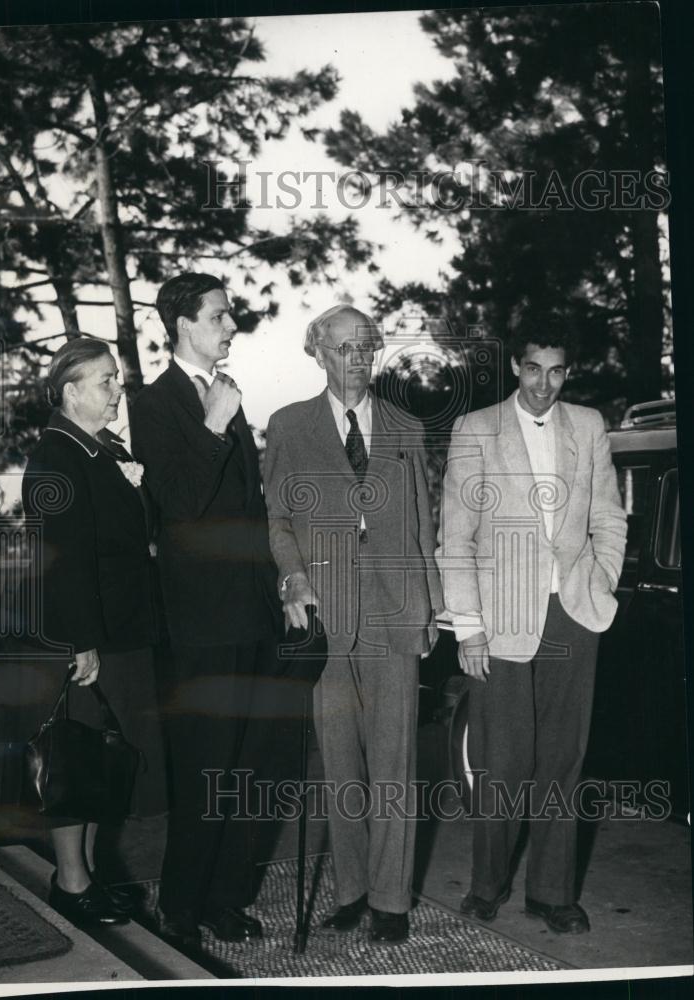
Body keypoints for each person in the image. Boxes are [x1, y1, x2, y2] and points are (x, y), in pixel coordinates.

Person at [437, 320, 627, 934]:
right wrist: (468, 627)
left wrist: (600, 579)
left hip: (573, 613)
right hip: (501, 619)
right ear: (515, 367)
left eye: (557, 370)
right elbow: (455, 538)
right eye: (533, 369)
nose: (545, 383)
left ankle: (551, 893)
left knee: (564, 760)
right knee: (502, 762)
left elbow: (608, 515)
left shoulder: (589, 425)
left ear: (567, 372)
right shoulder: (475, 429)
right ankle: (487, 884)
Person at [263, 304, 442, 946]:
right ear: (318, 353)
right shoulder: (289, 426)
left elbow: (423, 522)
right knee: (340, 763)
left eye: (366, 348)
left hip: (397, 613)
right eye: (343, 349)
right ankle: (352, 888)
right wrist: (293, 579)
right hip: (326, 618)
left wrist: (429, 610)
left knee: (395, 763)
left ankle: (392, 900)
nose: (357, 360)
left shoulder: (406, 426)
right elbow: (277, 519)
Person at [131, 273, 280, 949]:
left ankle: (224, 899)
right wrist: (215, 425)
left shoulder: (227, 396)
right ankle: (179, 907)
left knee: (245, 764)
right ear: (182, 323)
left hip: (249, 614)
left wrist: (282, 585)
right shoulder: (152, 402)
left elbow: (246, 507)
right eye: (219, 316)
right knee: (204, 765)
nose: (230, 326)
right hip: (197, 624)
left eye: (229, 315)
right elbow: (179, 504)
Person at [22, 337, 167, 927]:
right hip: (89, 638)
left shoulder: (99, 447)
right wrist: (80, 642)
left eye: (116, 379)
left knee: (98, 759)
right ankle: (72, 881)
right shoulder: (56, 456)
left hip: (120, 630)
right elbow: (62, 559)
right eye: (105, 381)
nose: (116, 390)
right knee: (75, 757)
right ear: (70, 391)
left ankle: (83, 875)